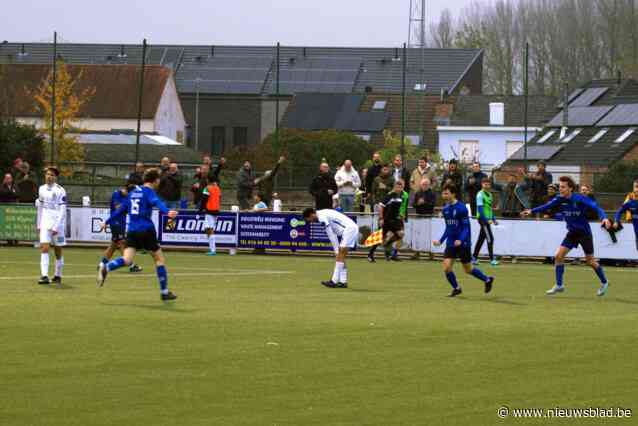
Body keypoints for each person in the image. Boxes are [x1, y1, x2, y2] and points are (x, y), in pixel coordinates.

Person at [522, 176, 611, 296]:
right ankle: (559, 285)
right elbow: (547, 206)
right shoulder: (559, 199)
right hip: (572, 233)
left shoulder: (580, 199)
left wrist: (604, 217)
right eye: (560, 187)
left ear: (570, 188)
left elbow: (596, 207)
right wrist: (532, 211)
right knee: (558, 256)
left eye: (563, 187)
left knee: (590, 261)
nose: (560, 189)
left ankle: (604, 282)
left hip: (584, 233)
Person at [98, 168, 179, 301]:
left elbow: (120, 211)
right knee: (159, 259)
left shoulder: (133, 193)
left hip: (132, 231)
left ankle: (106, 267)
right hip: (146, 230)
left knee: (127, 259)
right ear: (156, 180)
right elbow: (157, 203)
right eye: (158, 180)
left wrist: (106, 222)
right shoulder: (148, 192)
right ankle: (164, 292)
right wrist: (167, 211)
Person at [432, 184, 495, 297]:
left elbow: (466, 227)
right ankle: (457, 288)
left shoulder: (461, 208)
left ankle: (487, 279)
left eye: (446, 193)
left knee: (468, 269)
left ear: (453, 194)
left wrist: (461, 240)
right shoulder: (446, 209)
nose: (444, 195)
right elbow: (448, 227)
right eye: (443, 193)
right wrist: (441, 241)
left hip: (463, 243)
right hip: (451, 243)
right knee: (446, 267)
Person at [303, 207, 359, 288]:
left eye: (309, 219)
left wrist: (336, 250)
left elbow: (331, 235)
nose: (311, 221)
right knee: (341, 255)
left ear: (312, 214)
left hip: (349, 229)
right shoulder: (322, 213)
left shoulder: (321, 217)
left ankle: (334, 281)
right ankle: (343, 282)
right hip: (350, 229)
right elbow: (333, 233)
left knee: (340, 253)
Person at [99, 184, 142, 273]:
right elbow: (118, 209)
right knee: (122, 243)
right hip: (115, 223)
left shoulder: (128, 198)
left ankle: (102, 264)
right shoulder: (116, 194)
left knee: (113, 245)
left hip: (121, 223)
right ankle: (131, 265)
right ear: (127, 191)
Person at [36, 167, 67, 285]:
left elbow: (62, 210)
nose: (49, 177)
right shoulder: (41, 189)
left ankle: (58, 275)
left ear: (56, 177)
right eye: (47, 174)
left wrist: (56, 227)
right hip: (45, 222)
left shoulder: (60, 190)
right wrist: (39, 224)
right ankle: (44, 276)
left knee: (58, 250)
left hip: (57, 224)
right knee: (44, 248)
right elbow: (40, 207)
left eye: (52, 175)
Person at [368, 180, 405, 263]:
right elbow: (381, 206)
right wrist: (381, 218)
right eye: (397, 187)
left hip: (395, 220)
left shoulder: (400, 196)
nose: (399, 188)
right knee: (379, 238)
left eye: (401, 187)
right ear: (394, 187)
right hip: (386, 220)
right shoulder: (390, 195)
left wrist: (400, 216)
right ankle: (370, 254)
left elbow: (396, 208)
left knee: (401, 234)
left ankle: (387, 244)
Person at [472, 178, 498, 266]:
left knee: (481, 239)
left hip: (487, 220)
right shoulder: (480, 195)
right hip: (483, 220)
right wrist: (486, 220)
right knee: (490, 238)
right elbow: (480, 209)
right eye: (485, 184)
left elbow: (489, 209)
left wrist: (493, 219)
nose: (487, 186)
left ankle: (474, 258)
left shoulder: (490, 195)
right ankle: (492, 259)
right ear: (482, 185)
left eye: (488, 184)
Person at [199, 175, 221, 256]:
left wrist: (200, 210)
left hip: (209, 210)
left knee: (210, 229)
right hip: (216, 210)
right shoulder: (217, 188)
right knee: (208, 229)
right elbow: (219, 198)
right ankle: (212, 249)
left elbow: (204, 199)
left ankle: (213, 250)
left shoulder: (207, 188)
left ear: (208, 180)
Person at [613, 179, 638, 251]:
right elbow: (619, 211)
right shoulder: (630, 202)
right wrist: (616, 221)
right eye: (636, 187)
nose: (637, 189)